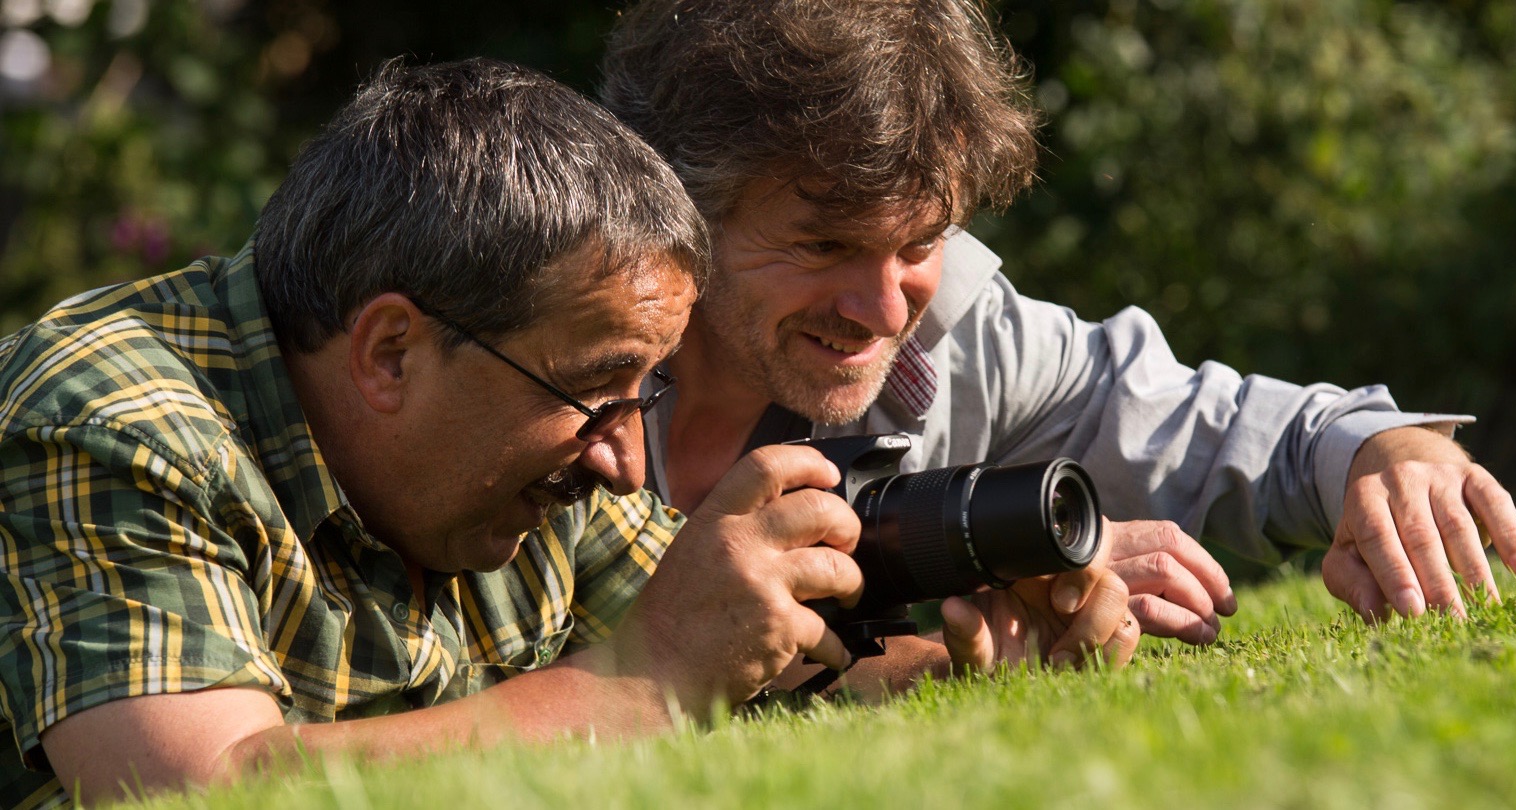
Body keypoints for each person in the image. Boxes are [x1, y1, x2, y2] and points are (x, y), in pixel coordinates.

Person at [0, 58, 1135, 808]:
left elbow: (759, 671)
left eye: (643, 391)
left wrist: (975, 658)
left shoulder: (533, 445)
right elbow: (196, 793)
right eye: (598, 389)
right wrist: (639, 686)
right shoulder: (113, 420)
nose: (621, 455)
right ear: (390, 352)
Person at [600, 0, 1516, 646]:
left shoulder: (965, 337)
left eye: (923, 240)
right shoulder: (522, 342)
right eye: (822, 245)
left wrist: (1381, 455)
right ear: (675, 201)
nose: (885, 311)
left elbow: (1211, 432)